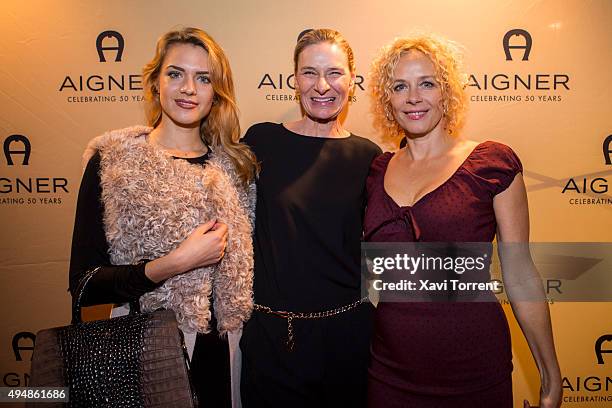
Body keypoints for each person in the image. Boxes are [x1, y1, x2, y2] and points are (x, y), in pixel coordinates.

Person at [364, 34, 562, 408]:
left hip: (473, 369)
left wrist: (550, 372)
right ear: (387, 99)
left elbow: (520, 273)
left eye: (427, 83)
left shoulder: (490, 165)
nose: (413, 97)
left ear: (447, 92)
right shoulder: (376, 171)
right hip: (390, 369)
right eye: (399, 87)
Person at [70, 27, 257, 408]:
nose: (188, 88)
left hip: (226, 358)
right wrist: (174, 264)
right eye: (176, 74)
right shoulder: (114, 163)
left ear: (215, 92)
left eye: (202, 78)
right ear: (155, 82)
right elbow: (85, 284)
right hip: (147, 352)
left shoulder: (237, 168)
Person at [239, 28, 382, 407]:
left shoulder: (369, 156)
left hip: (348, 336)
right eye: (309, 72)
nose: (322, 86)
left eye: (334, 73)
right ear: (294, 79)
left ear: (352, 79)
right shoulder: (261, 141)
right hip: (273, 337)